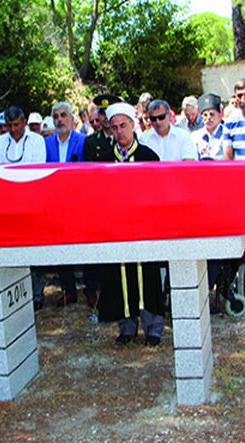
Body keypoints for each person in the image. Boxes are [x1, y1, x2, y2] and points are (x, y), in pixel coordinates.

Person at [96, 102, 165, 346]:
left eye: (123, 125)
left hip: (144, 228)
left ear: (133, 125)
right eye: (114, 128)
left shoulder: (148, 157)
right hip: (116, 229)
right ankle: (126, 328)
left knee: (147, 276)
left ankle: (153, 329)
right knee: (119, 276)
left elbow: (159, 194)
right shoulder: (103, 161)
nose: (119, 132)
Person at [41, 101, 98, 308]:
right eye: (56, 117)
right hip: (56, 205)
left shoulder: (84, 142)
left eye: (63, 115)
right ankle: (69, 290)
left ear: (72, 119)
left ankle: (91, 290)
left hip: (81, 205)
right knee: (60, 248)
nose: (59, 120)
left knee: (87, 248)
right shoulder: (45, 144)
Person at [83, 94, 122, 161]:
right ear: (98, 115)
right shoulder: (91, 142)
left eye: (109, 113)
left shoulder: (124, 137)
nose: (106, 117)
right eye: (102, 114)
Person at [191, 93, 224, 160]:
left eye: (212, 114)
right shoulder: (195, 136)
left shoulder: (226, 133)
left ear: (219, 115)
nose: (208, 117)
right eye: (205, 115)